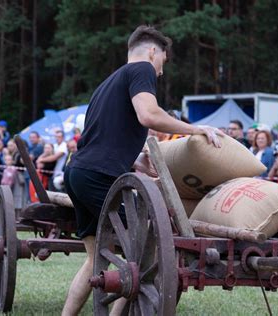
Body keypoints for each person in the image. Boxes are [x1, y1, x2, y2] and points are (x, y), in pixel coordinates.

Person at [62, 25, 223, 316]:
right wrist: (195, 129)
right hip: (99, 176)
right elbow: (148, 114)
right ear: (152, 51)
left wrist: (134, 162)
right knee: (149, 246)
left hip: (79, 172)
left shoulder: (107, 83)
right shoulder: (142, 70)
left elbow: (103, 137)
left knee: (93, 260)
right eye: (163, 61)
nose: (161, 71)